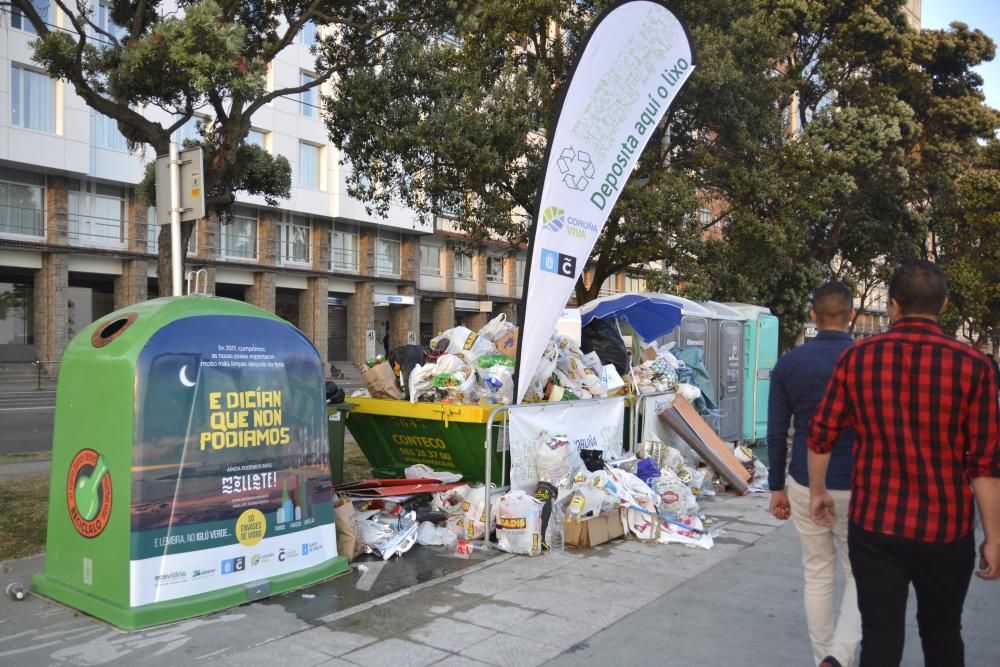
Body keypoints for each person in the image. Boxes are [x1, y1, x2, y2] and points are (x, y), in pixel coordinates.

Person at [807, 260, 1000, 667]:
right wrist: (994, 537)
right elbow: (984, 464)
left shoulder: (857, 359)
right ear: (943, 305)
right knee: (944, 634)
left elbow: (821, 435)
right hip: (946, 529)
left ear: (893, 306)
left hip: (876, 523)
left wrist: (818, 492)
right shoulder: (975, 367)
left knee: (879, 638)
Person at [768, 281, 861, 667]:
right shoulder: (864, 358)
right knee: (860, 575)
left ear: (813, 317)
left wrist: (776, 488)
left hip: (806, 480)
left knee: (818, 572)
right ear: (851, 315)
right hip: (859, 483)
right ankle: (840, 655)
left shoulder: (790, 364)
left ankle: (822, 656)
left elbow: (776, 431)